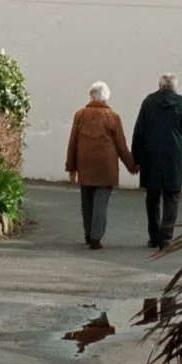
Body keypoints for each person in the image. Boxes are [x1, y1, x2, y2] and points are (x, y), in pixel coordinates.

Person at [131, 72, 182, 250]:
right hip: (174, 157)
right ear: (175, 88)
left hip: (151, 156)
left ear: (159, 86)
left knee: (152, 197)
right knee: (172, 197)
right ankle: (166, 238)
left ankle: (154, 237)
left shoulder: (148, 102)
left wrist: (136, 159)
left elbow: (138, 132)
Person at [64, 80, 133, 248]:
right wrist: (132, 165)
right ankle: (96, 237)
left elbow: (72, 142)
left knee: (86, 201)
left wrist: (71, 167)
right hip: (106, 167)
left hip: (85, 164)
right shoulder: (113, 117)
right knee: (100, 203)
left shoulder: (80, 115)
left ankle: (88, 233)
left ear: (91, 96)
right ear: (106, 98)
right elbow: (121, 144)